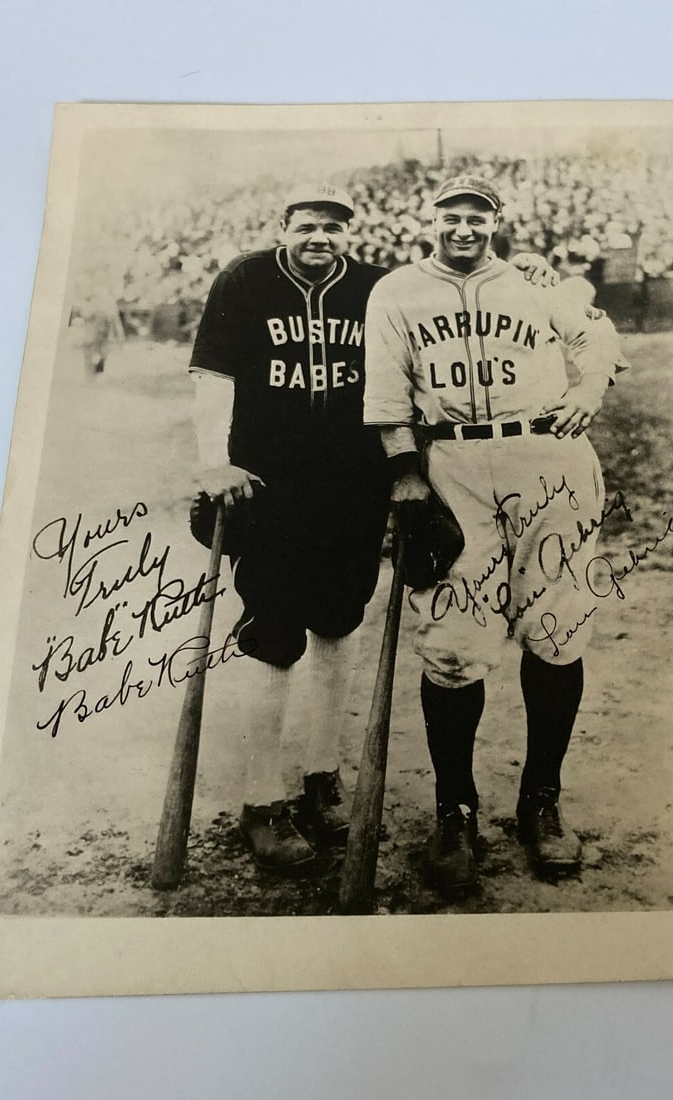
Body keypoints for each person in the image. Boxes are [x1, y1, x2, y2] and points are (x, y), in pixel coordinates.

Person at [188, 183, 559, 875]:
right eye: (307, 226)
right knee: (273, 635)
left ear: (348, 232)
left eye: (332, 227)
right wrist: (215, 461)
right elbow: (213, 376)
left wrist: (530, 270)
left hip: (352, 485)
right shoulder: (244, 279)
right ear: (285, 226)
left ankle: (319, 776)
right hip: (271, 482)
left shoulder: (373, 287)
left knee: (338, 624)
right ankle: (262, 799)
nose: (319, 238)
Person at [363, 175, 629, 893]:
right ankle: (456, 810)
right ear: (432, 219)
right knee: (452, 640)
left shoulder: (541, 281)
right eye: (451, 214)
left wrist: (586, 391)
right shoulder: (394, 291)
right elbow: (387, 398)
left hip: (549, 461)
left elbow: (598, 339)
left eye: (477, 215)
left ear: (496, 221)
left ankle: (541, 799)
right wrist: (405, 474)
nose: (464, 227)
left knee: (557, 626)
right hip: (453, 465)